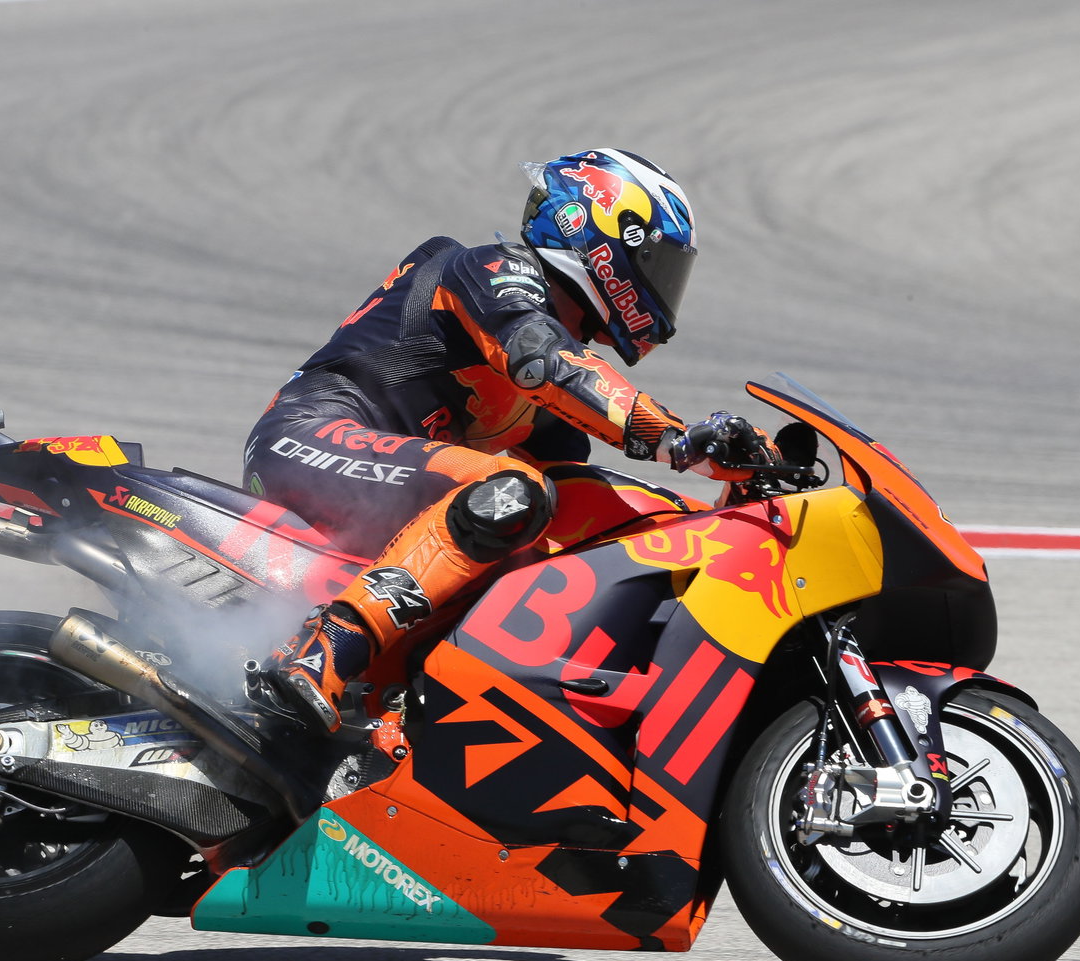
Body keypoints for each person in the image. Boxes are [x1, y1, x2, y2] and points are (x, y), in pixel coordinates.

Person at [243, 148, 772, 733]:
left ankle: (414, 701)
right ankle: (320, 649)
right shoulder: (491, 270)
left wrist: (722, 520)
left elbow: (585, 501)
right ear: (599, 234)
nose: (666, 289)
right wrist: (675, 439)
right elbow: (543, 360)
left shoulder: (553, 398)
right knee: (513, 489)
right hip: (307, 436)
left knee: (557, 511)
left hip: (383, 487)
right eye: (659, 263)